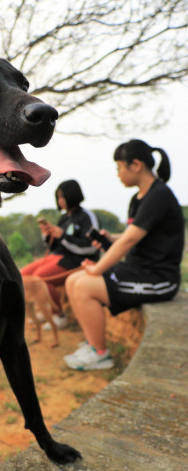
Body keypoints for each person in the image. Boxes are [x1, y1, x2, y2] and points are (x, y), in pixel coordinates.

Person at [64, 139, 185, 371]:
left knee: (84, 286)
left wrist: (98, 269)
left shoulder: (159, 195)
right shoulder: (138, 198)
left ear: (136, 165)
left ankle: (99, 354)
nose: (118, 174)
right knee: (73, 280)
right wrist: (110, 239)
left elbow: (130, 240)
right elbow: (131, 235)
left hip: (158, 279)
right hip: (137, 269)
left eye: (119, 167)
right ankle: (92, 344)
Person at [20, 179, 100, 328]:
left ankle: (59, 315)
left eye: (63, 197)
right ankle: (45, 311)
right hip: (58, 256)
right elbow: (56, 245)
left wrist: (63, 236)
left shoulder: (86, 216)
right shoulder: (64, 218)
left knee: (40, 278)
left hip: (78, 259)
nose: (60, 201)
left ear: (73, 195)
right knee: (23, 275)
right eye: (58, 197)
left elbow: (92, 248)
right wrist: (48, 235)